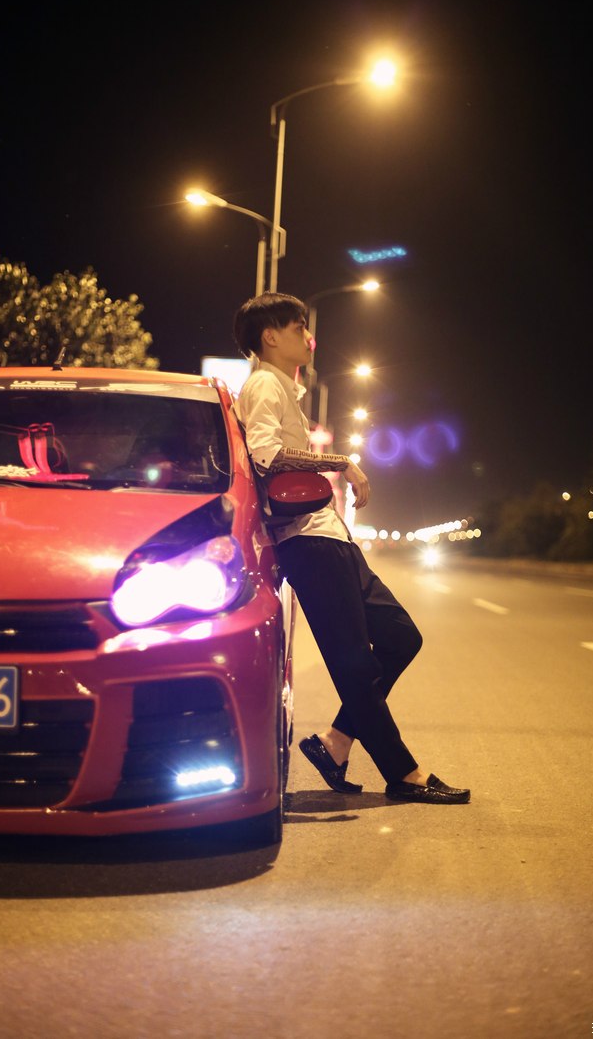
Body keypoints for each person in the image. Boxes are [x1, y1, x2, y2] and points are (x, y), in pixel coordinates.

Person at [233, 291, 470, 804]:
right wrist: (341, 461)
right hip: (308, 543)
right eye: (298, 328)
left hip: (331, 537)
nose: (309, 337)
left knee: (401, 637)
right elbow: (266, 454)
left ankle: (335, 743)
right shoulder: (264, 385)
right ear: (270, 336)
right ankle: (404, 774)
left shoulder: (281, 388)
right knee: (354, 666)